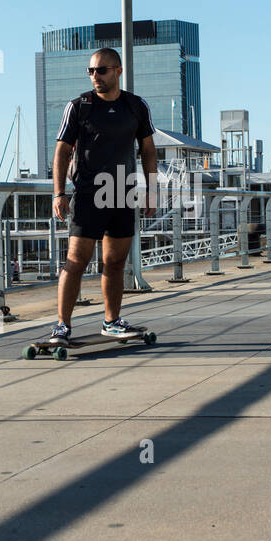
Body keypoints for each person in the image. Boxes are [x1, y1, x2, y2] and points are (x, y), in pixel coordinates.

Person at [49, 47, 157, 345]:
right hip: (87, 193)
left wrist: (152, 191)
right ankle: (62, 326)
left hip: (123, 192)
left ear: (117, 71)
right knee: (76, 260)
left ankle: (111, 321)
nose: (95, 76)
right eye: (91, 71)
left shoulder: (136, 106)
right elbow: (61, 152)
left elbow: (148, 151)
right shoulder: (79, 106)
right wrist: (58, 193)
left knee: (115, 262)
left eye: (101, 70)